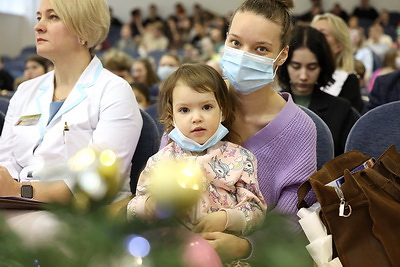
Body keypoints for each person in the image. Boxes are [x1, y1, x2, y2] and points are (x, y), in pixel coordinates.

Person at [188, 0, 317, 263]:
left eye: (260, 49)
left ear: (281, 55)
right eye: (235, 43)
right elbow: (160, 178)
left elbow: (292, 219)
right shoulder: (194, 104)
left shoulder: (299, 129)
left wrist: (245, 247)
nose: (244, 56)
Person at [0, 0, 142, 204]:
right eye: (39, 17)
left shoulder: (114, 92)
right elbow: (5, 163)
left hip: (81, 215)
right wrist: (12, 189)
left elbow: (95, 182)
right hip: (16, 203)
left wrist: (19, 190)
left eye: (53, 17)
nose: (38, 26)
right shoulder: (25, 91)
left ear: (84, 30)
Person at [127, 63, 267, 266]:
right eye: (184, 110)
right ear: (172, 117)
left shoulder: (241, 158)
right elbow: (133, 209)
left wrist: (226, 218)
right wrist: (151, 206)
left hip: (223, 256)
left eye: (207, 107)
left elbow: (255, 210)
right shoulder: (161, 161)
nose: (196, 117)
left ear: (223, 111)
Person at [279, 25, 359, 156]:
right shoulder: (269, 105)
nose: (303, 76)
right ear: (283, 64)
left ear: (322, 66)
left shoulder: (341, 110)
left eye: (312, 67)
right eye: (296, 66)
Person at [311, 13, 364, 112]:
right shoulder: (295, 76)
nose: (314, 38)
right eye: (312, 32)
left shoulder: (349, 82)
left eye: (322, 34)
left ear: (338, 46)